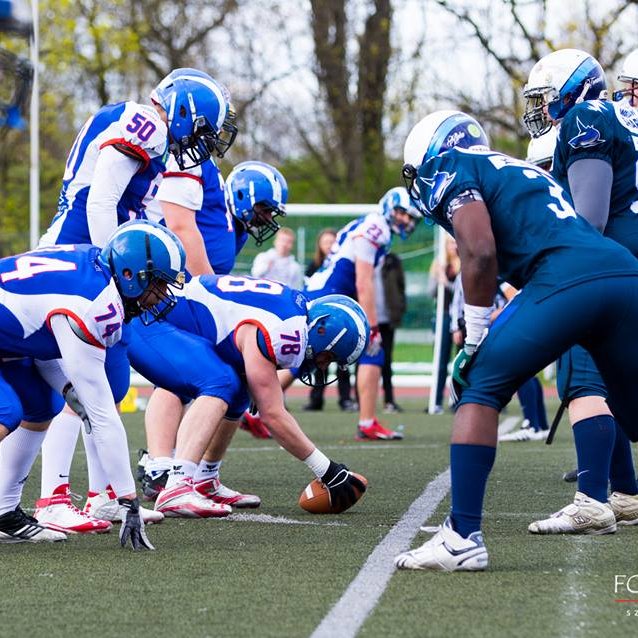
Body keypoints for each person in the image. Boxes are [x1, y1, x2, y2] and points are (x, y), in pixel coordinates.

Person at [394, 109, 638, 572]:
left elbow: (480, 250)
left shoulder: (448, 167)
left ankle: (461, 538)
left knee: (478, 385)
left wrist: (475, 333)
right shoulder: (518, 165)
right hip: (624, 273)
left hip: (566, 277)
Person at [31, 67, 233, 534]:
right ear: (184, 111)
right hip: (80, 260)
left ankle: (104, 495)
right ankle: (53, 498)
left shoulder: (147, 128)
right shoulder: (146, 123)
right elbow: (101, 202)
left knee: (111, 382)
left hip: (92, 261)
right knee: (72, 384)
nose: (203, 141)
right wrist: (115, 278)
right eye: (203, 128)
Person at [0, 220, 185, 547]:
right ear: (129, 275)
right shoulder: (95, 304)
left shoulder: (94, 268)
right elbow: (103, 417)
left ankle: (4, 510)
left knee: (43, 404)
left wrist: (67, 390)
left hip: (8, 340)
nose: (161, 296)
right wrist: (129, 501)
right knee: (8, 411)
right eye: (157, 284)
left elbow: (39, 339)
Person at [129, 276, 370, 518]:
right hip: (152, 321)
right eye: (328, 356)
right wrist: (328, 471)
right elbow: (273, 415)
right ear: (320, 328)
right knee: (219, 382)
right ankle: (177, 487)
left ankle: (205, 479)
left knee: (237, 389)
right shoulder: (286, 330)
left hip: (165, 319)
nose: (322, 364)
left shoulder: (298, 312)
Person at [521, 49, 638, 534]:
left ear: (575, 89)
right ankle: (626, 493)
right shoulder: (622, 120)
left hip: (610, 269)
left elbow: (589, 219)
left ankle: (591, 499)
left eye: (547, 98)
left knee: (583, 375)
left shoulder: (588, 116)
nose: (542, 109)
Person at [136, 161, 287, 505]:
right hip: (169, 299)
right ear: (242, 195)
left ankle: (202, 474)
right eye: (263, 208)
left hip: (194, 305)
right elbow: (182, 234)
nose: (266, 217)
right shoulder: (210, 205)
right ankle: (160, 464)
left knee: (227, 381)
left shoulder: (236, 229)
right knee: (175, 380)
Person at [304, 186, 420, 441]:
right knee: (370, 349)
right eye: (403, 213)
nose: (406, 221)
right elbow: (364, 282)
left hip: (328, 291)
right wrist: (373, 326)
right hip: (329, 293)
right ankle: (367, 422)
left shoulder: (373, 225)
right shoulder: (375, 227)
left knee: (304, 356)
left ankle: (367, 421)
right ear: (390, 206)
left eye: (411, 217)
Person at [303, 229, 355, 412]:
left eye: (332, 242)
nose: (329, 245)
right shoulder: (315, 268)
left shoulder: (344, 267)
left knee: (343, 360)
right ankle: (316, 398)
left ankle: (346, 398)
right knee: (318, 358)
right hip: (321, 321)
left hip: (340, 320)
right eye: (325, 242)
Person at [427, 234, 460, 414]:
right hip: (443, 316)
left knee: (459, 361)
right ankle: (436, 400)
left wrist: (446, 282)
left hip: (460, 318)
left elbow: (461, 293)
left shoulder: (464, 264)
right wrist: (439, 277)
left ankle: (457, 399)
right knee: (440, 361)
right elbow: (431, 292)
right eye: (450, 244)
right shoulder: (439, 264)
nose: (452, 247)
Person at [377, 252, 407, 413]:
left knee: (386, 361)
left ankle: (389, 400)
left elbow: (401, 286)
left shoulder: (393, 261)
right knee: (362, 362)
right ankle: (358, 401)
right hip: (366, 321)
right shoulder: (362, 259)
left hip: (387, 320)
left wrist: (399, 308)